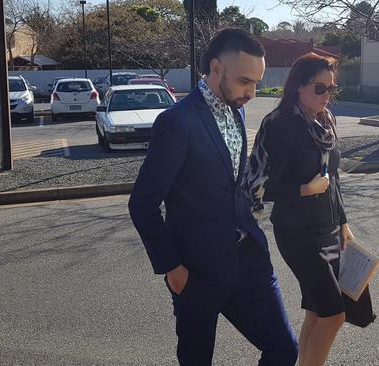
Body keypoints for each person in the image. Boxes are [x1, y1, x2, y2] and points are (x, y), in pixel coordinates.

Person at [128, 28, 298, 366]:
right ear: (216, 68)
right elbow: (143, 202)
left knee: (284, 349)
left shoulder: (237, 110)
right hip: (197, 272)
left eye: (257, 83)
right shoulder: (178, 123)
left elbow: (233, 182)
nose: (252, 92)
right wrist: (173, 267)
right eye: (245, 81)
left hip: (248, 261)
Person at [244, 53, 358, 366]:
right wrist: (304, 190)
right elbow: (258, 187)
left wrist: (344, 223)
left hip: (328, 228)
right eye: (319, 89)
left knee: (316, 312)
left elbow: (332, 177)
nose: (327, 96)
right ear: (298, 86)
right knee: (334, 315)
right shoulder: (280, 124)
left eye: (331, 89)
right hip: (297, 233)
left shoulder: (326, 121)